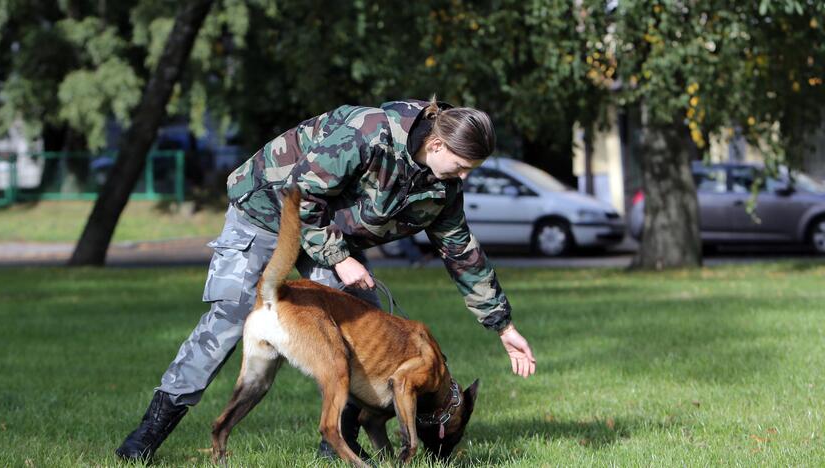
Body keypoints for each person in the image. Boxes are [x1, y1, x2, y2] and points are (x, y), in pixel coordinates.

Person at [115, 97, 537, 462]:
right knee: (228, 321)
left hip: (328, 234)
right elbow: (303, 191)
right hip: (267, 212)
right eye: (462, 166)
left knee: (366, 323)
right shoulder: (369, 131)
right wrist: (339, 258)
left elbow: (461, 250)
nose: (463, 177)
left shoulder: (442, 184)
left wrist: (503, 325)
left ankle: (336, 446)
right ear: (438, 143)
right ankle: (145, 438)